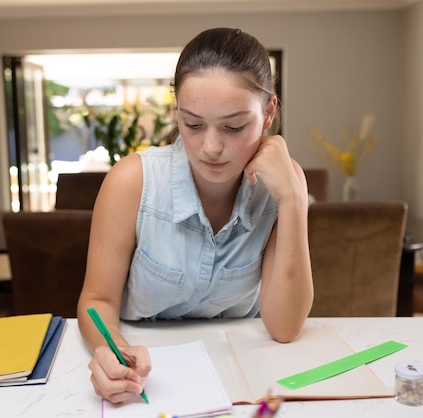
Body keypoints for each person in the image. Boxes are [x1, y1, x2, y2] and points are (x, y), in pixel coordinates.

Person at [77, 27, 314, 404]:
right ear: (177, 112)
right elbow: (97, 299)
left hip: (246, 373)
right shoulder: (132, 181)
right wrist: (113, 350)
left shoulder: (282, 184)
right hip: (149, 376)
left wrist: (293, 200)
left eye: (234, 126)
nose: (211, 147)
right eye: (192, 124)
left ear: (269, 113)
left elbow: (285, 329)